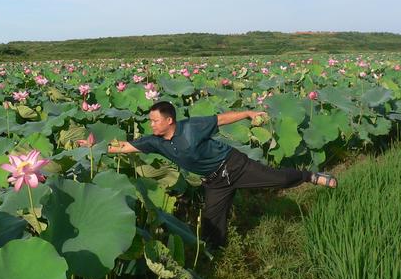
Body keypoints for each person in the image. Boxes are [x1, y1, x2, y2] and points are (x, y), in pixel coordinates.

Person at [106, 101, 337, 249]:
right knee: (211, 228)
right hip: (215, 182)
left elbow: (221, 119)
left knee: (280, 179)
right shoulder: (154, 142)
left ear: (169, 120)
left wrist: (247, 113)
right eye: (150, 121)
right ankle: (218, 258)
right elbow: (126, 146)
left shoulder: (192, 127)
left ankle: (309, 176)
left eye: (155, 120)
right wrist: (96, 146)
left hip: (235, 165)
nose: (151, 124)